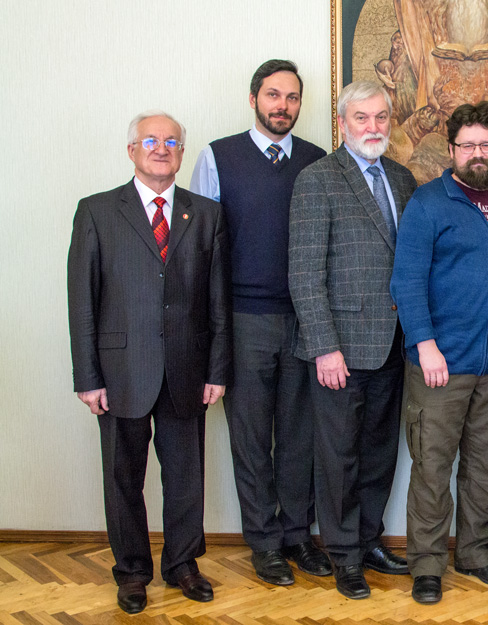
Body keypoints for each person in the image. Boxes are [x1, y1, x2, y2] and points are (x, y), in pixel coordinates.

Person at [67, 111, 231, 614]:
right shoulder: (96, 211)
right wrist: (87, 377)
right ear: (132, 151)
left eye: (172, 142)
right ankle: (133, 571)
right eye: (151, 141)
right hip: (119, 372)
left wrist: (217, 369)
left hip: (187, 369)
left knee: (185, 477)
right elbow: (82, 301)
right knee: (123, 478)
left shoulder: (206, 214)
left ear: (181, 153)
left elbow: (218, 300)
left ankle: (182, 564)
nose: (162, 149)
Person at [189, 59, 330, 586]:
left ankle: (297, 536)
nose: (282, 106)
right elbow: (200, 250)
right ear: (254, 99)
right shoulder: (217, 157)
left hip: (304, 319)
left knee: (299, 437)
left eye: (292, 97)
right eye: (273, 95)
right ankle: (264, 543)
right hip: (243, 320)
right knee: (250, 439)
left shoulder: (316, 161)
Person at [390, 101, 488, 605]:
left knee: (487, 467)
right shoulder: (429, 203)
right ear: (451, 150)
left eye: (486, 145)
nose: (477, 153)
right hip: (440, 364)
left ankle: (475, 554)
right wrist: (424, 344)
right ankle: (427, 565)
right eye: (467, 144)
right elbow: (406, 280)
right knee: (432, 467)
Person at [288, 80, 417, 600]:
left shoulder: (402, 178)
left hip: (392, 343)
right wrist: (324, 346)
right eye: (361, 118)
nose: (373, 126)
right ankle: (343, 556)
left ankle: (368, 541)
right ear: (343, 123)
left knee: (380, 453)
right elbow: (304, 272)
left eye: (381, 117)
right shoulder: (317, 179)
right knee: (339, 456)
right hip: (339, 347)